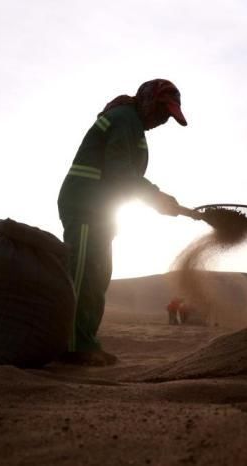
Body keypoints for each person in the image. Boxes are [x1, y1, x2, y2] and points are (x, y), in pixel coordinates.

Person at [57, 79, 187, 366]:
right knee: (84, 273)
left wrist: (153, 200)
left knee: (98, 274)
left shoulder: (133, 125)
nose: (163, 120)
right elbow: (120, 173)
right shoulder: (125, 120)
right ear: (148, 100)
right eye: (162, 111)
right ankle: (71, 345)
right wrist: (156, 197)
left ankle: (85, 341)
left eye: (169, 116)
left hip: (100, 208)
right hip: (85, 202)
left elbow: (121, 179)